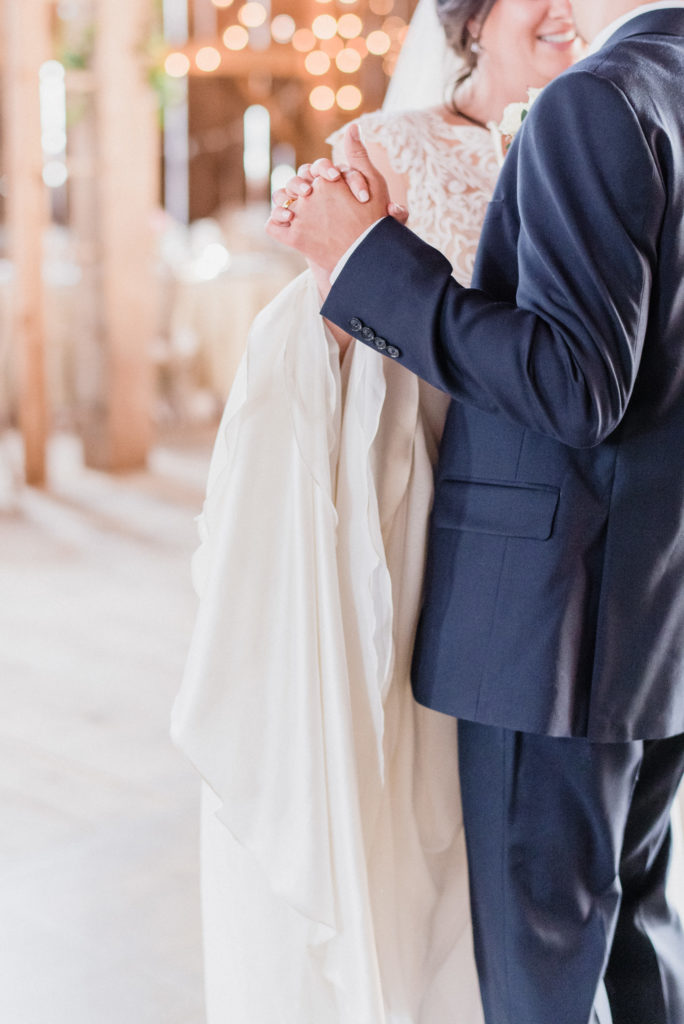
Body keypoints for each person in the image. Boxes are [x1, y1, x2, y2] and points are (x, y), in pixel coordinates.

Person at [266, 1, 684, 1022]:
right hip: (656, 607)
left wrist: (365, 256)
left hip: (560, 624)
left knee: (542, 978)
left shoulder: (598, 102)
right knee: (636, 938)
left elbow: (577, 384)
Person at [172, 1, 577, 1022]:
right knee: (413, 816)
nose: (566, 8)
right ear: (473, 21)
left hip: (566, 555)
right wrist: (346, 292)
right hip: (423, 523)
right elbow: (313, 334)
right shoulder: (383, 150)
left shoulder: (603, 135)